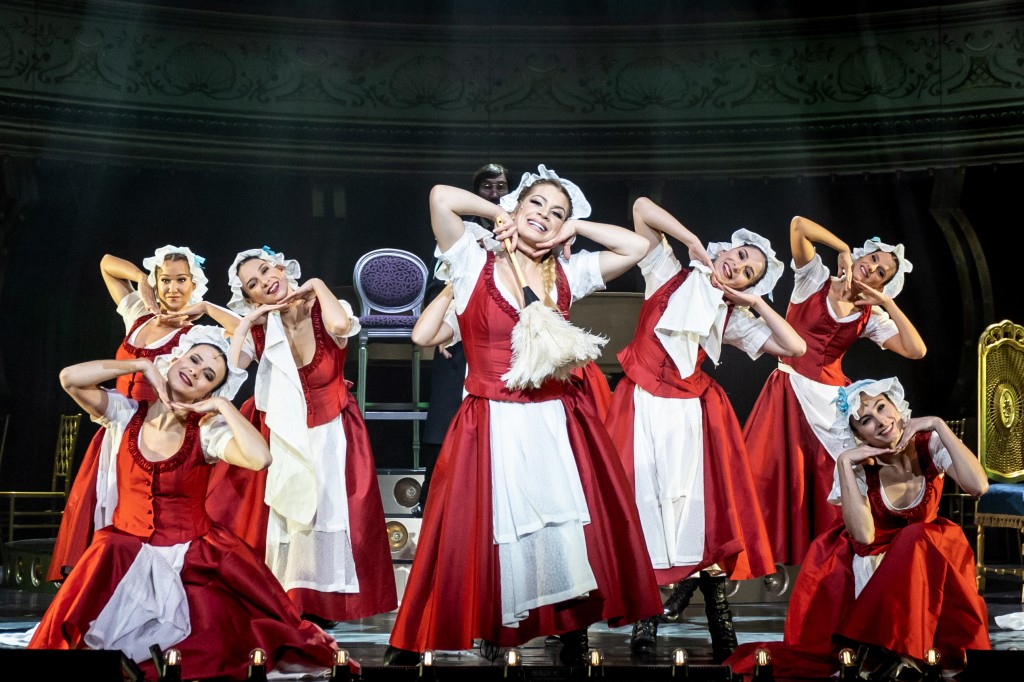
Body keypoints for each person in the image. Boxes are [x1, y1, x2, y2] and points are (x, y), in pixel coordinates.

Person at [386, 165, 662, 665]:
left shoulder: (569, 273)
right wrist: (500, 216)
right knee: (479, 531)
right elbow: (441, 196)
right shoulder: (472, 260)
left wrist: (575, 227)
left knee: (565, 529)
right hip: (491, 420)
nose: (546, 215)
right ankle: (468, 630)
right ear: (517, 206)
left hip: (556, 419)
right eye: (536, 204)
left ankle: (572, 631)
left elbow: (637, 247)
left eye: (557, 212)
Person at [29, 328, 338, 680]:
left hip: (188, 558)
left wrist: (222, 405)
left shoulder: (205, 433)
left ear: (208, 392)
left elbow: (260, 458)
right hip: (121, 555)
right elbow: (69, 378)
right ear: (176, 358)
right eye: (194, 359)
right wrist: (140, 365)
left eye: (208, 376)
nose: (195, 371)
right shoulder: (125, 413)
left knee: (207, 650)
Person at [603, 197, 805, 660]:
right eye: (740, 256)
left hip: (691, 415)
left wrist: (754, 303)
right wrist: (691, 241)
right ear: (724, 249)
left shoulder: (730, 316)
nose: (738, 267)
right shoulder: (667, 272)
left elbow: (794, 348)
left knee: (696, 516)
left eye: (749, 273)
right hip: (641, 406)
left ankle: (720, 621)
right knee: (643, 510)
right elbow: (641, 208)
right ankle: (646, 617)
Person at [728, 377, 990, 679]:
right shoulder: (860, 468)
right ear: (856, 434)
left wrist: (938, 424)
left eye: (882, 407)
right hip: (879, 559)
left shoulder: (927, 445)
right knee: (916, 537)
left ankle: (904, 655)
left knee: (924, 536)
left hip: (930, 557)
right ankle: (896, 653)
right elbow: (865, 535)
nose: (880, 421)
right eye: (866, 420)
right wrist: (844, 462)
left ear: (897, 406)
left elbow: (978, 486)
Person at [205, 247, 397, 626]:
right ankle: (289, 598)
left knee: (328, 513)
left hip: (332, 429)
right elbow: (232, 368)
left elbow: (341, 326)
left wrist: (316, 284)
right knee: (290, 518)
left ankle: (325, 604)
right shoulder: (261, 330)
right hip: (284, 431)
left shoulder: (325, 309)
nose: (265, 282)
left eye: (265, 271)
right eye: (253, 284)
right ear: (250, 298)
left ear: (281, 267)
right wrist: (249, 320)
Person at [48, 245, 245, 582]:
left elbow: (243, 331)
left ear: (194, 284)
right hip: (118, 419)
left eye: (181, 280)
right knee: (101, 505)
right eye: (165, 280)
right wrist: (141, 278)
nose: (172, 288)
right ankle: (100, 583)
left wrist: (205, 308)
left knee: (137, 507)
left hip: (157, 429)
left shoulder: (193, 336)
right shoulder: (138, 314)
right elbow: (107, 264)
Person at [743, 216, 927, 566]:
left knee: (833, 486)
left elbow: (916, 350)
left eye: (881, 272)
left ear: (882, 286)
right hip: (788, 392)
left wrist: (886, 304)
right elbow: (798, 225)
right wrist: (842, 248)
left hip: (832, 407)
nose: (871, 267)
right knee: (764, 478)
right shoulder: (814, 279)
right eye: (873, 258)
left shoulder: (869, 316)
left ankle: (834, 568)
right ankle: (749, 565)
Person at [417, 163, 512, 516]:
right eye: (487, 186)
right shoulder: (460, 231)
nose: (494, 192)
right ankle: (440, 503)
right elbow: (438, 286)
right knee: (448, 414)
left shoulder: (521, 231)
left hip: (504, 336)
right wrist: (448, 321)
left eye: (501, 186)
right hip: (460, 326)